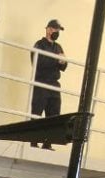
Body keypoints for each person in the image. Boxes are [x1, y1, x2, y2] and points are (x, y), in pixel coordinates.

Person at [29, 19, 67, 150]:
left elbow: (63, 65)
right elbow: (38, 63)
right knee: (37, 112)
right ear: (49, 29)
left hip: (54, 84)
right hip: (41, 83)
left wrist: (62, 62)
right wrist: (56, 59)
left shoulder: (58, 47)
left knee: (54, 115)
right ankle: (33, 142)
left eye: (58, 30)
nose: (57, 32)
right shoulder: (39, 45)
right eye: (55, 30)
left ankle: (47, 143)